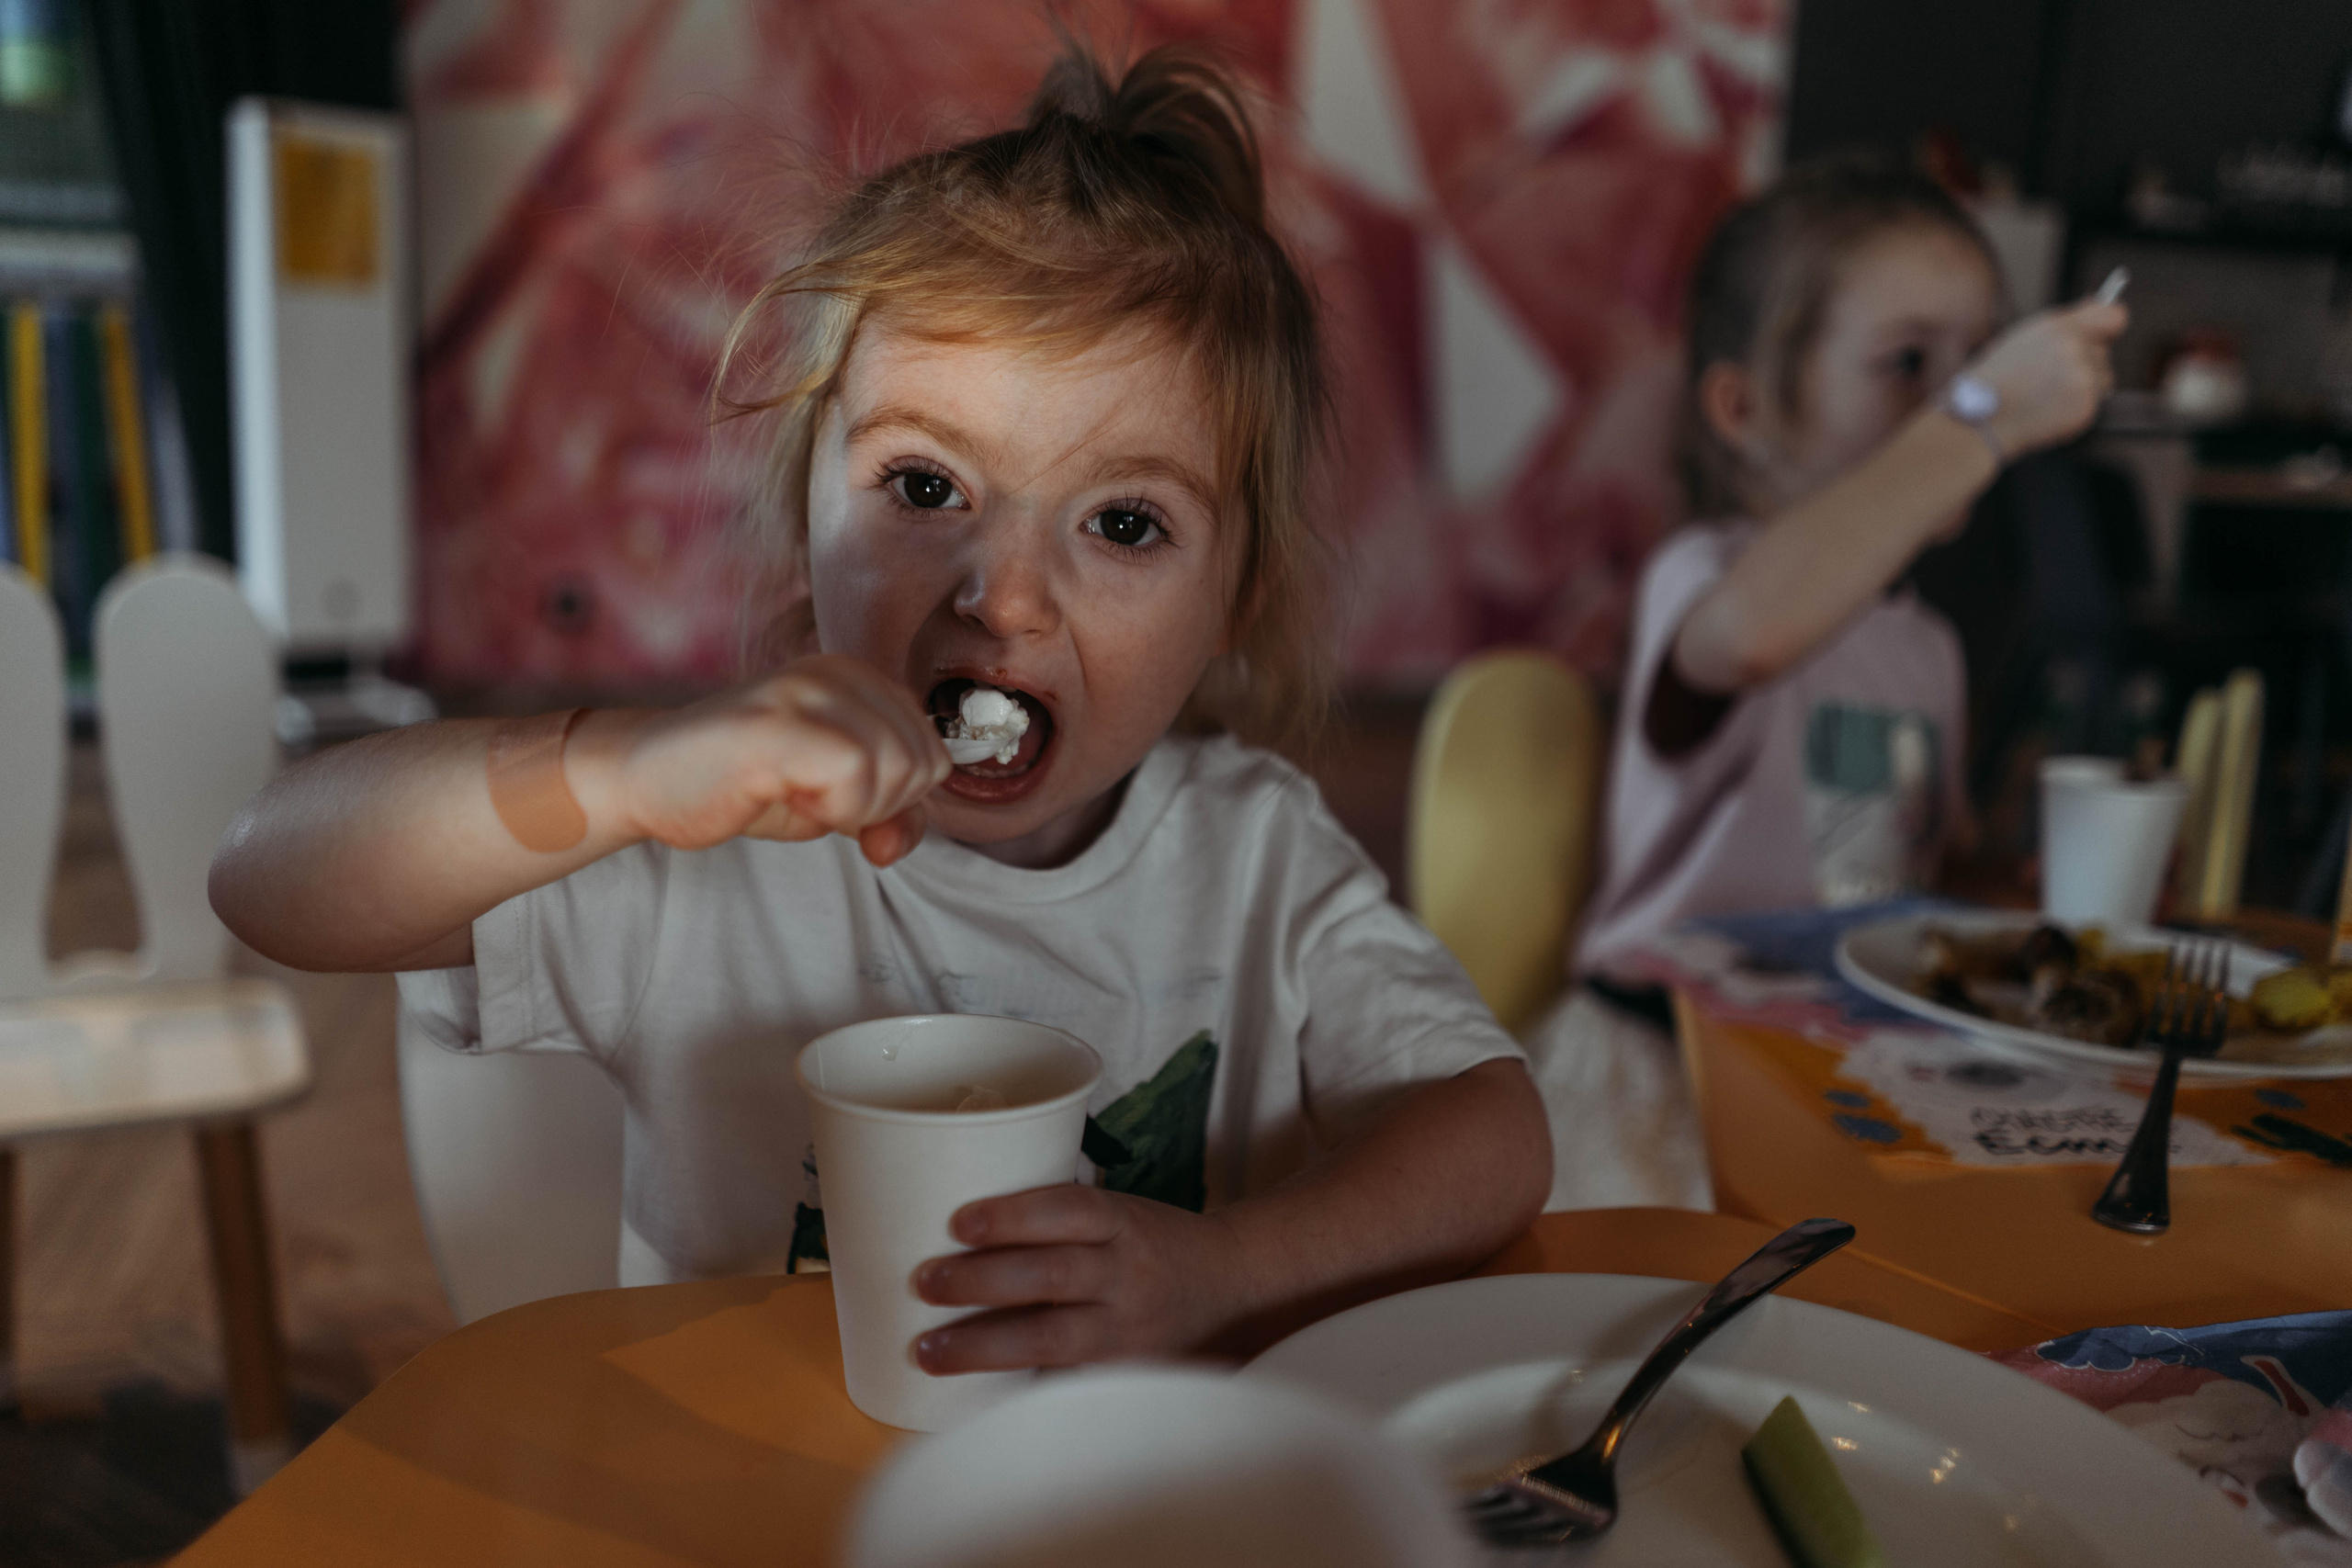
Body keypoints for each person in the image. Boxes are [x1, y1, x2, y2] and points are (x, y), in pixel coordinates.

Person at [209, 45, 1550, 1372]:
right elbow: (270, 877)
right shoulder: (709, 841)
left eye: (1125, 521)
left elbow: (1494, 1134)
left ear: (1235, 605)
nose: (1007, 596)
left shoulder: (1258, 861)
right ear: (805, 523)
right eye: (924, 487)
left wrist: (1229, 1266)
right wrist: (612, 774)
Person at [1528, 154, 2126, 1210]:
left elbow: (1902, 876)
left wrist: (2038, 896)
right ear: (1743, 408)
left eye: (1971, 362)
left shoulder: (1927, 649)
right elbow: (1755, 635)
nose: (1949, 402)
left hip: (1845, 1076)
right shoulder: (1704, 580)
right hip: (1665, 1080)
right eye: (1907, 364)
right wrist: (1984, 417)